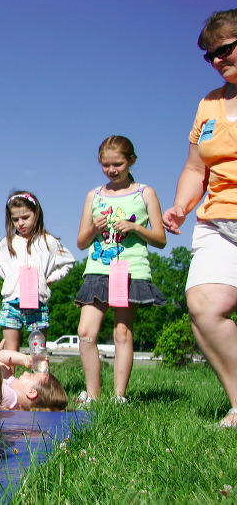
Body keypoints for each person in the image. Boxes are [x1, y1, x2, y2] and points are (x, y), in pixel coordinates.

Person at [162, 9, 237, 428]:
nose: (217, 61)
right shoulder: (209, 104)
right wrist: (181, 205)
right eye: (209, 56)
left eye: (224, 49)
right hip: (218, 219)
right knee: (204, 307)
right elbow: (195, 168)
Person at [75, 135, 167, 404]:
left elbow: (160, 239)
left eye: (117, 164)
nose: (112, 170)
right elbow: (81, 241)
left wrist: (136, 227)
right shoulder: (94, 195)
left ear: (131, 161)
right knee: (85, 332)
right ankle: (92, 394)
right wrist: (95, 228)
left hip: (130, 270)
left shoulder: (144, 193)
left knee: (122, 332)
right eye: (106, 165)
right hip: (97, 269)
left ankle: (119, 396)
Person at [0, 191, 75, 351]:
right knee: (10, 348)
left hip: (37, 301)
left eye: (25, 217)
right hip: (11, 301)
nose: (20, 223)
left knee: (38, 349)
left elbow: (68, 263)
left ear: (36, 214)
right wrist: (9, 277)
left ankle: (39, 376)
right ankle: (9, 376)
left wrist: (48, 279)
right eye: (15, 219)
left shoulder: (48, 241)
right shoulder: (6, 242)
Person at [0, 342, 67, 411]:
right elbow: (0, 361)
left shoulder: (10, 396)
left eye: (31, 375)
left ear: (31, 392)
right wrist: (26, 360)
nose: (26, 372)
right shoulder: (13, 388)